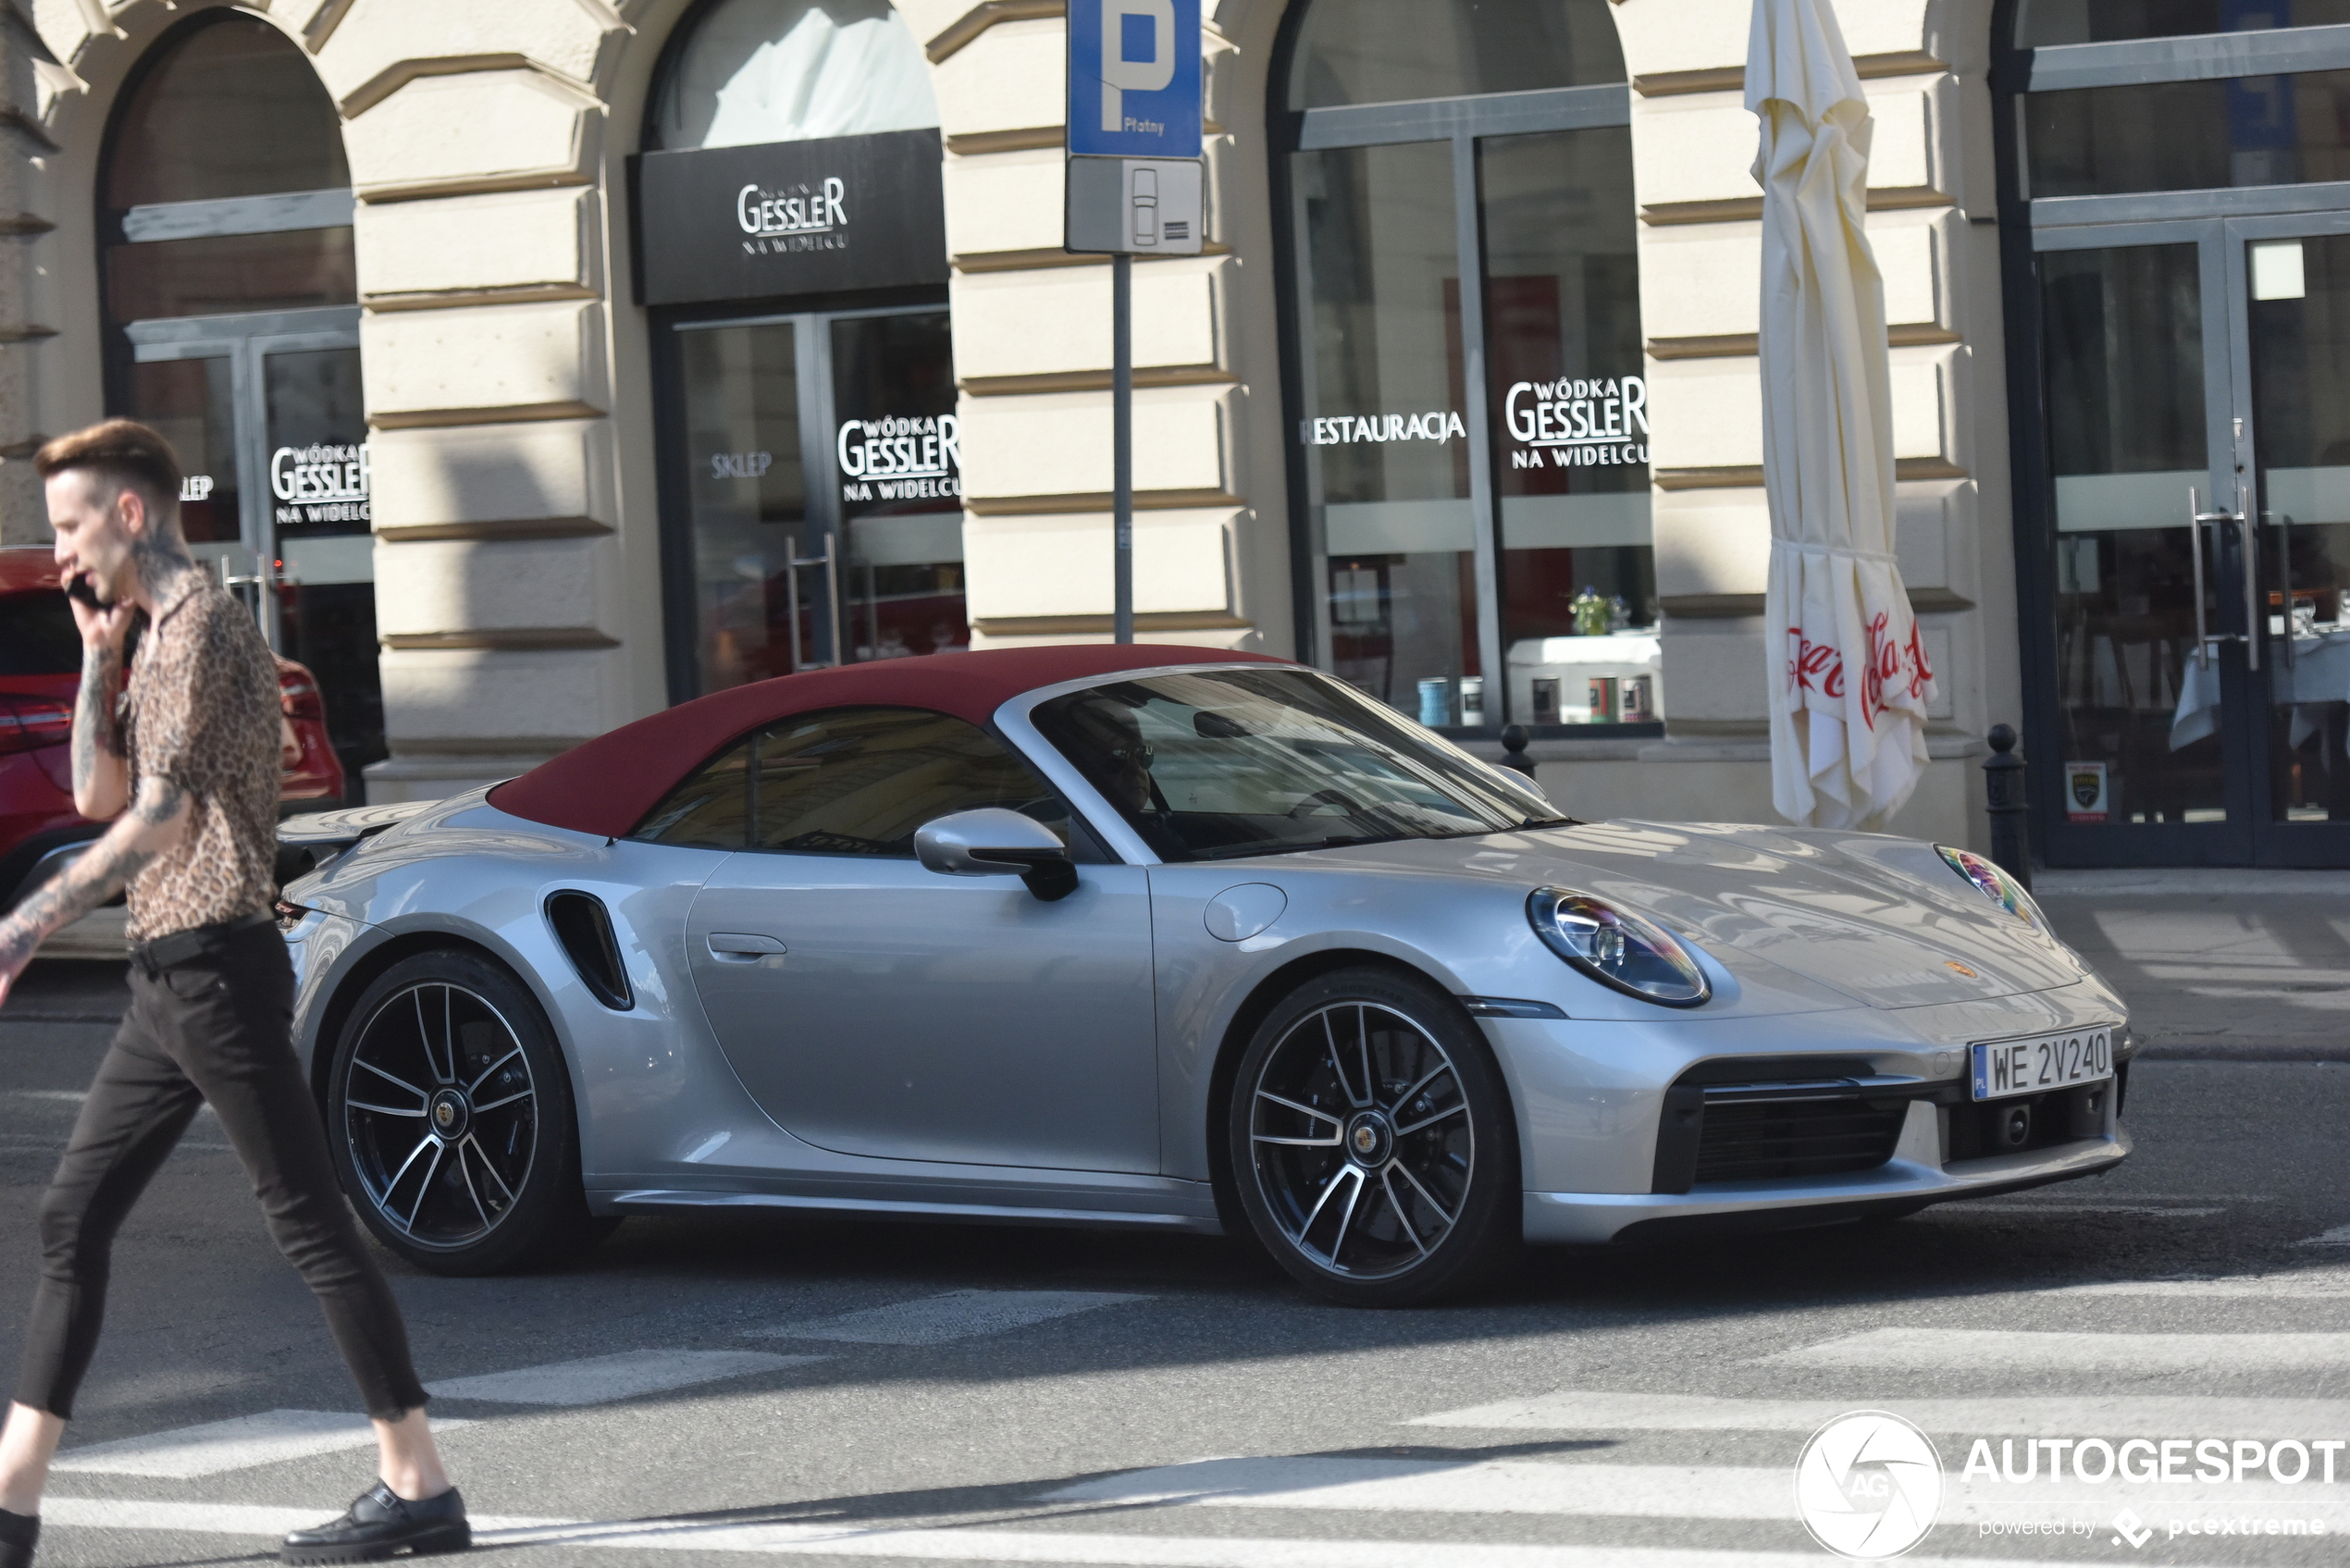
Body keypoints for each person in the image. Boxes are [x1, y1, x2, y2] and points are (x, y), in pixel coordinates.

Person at [0, 421, 469, 1565]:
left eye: (70, 525)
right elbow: (94, 788)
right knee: (72, 1216)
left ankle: (417, 1484)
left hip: (216, 962)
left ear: (128, 513)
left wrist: (23, 922)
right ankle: (11, 1506)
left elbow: (155, 822)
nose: (61, 549)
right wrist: (96, 655)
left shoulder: (207, 627)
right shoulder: (150, 637)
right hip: (166, 975)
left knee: (308, 1220)